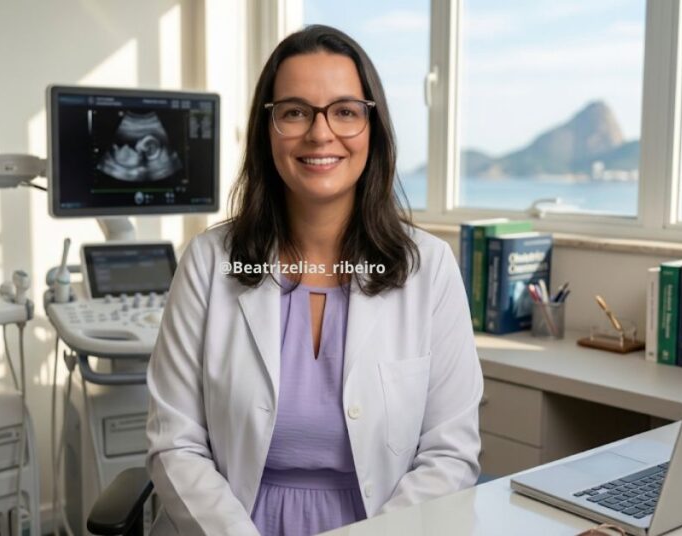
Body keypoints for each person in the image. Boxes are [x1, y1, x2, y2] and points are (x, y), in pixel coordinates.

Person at [146, 24, 483, 536]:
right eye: (295, 112)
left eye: (345, 111)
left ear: (373, 127)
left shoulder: (428, 269)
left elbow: (450, 453)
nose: (320, 133)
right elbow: (176, 442)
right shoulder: (209, 263)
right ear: (269, 129)